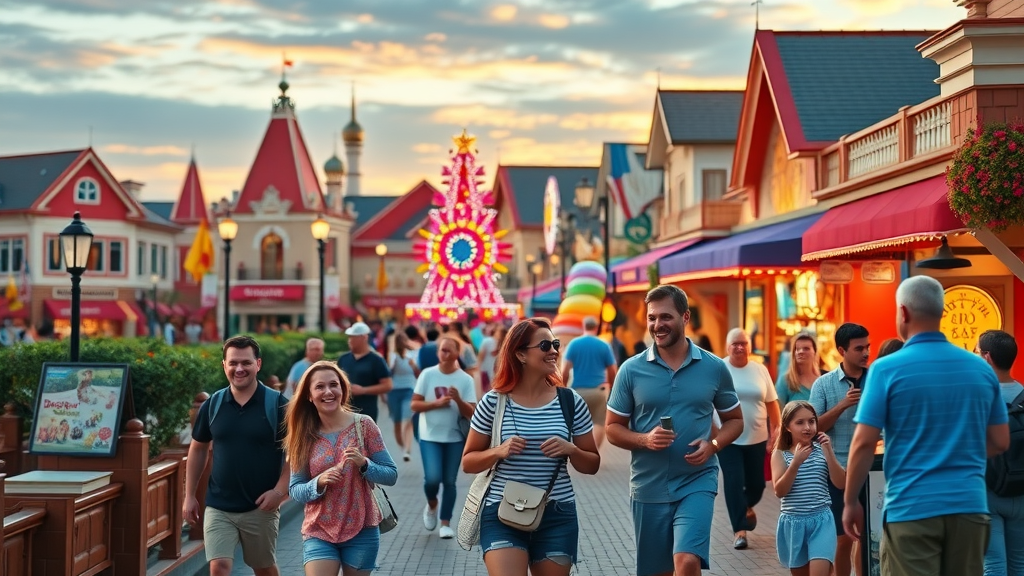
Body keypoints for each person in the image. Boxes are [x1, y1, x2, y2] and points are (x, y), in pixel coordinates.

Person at [844, 276, 1009, 576]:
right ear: (941, 312)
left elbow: (864, 443)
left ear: (903, 312)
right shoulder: (980, 369)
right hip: (969, 506)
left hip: (912, 507)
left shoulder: (886, 369)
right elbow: (1000, 440)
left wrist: (850, 500)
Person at [607, 285, 743, 576]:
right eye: (652, 317)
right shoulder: (630, 370)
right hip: (648, 486)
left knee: (687, 560)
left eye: (666, 316)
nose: (658, 324)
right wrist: (645, 439)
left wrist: (714, 445)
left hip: (697, 480)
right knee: (659, 571)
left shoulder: (714, 367)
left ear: (685, 317)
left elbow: (735, 420)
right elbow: (612, 428)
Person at [462, 317, 600, 576]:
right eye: (545, 345)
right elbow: (468, 462)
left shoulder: (571, 402)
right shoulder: (493, 402)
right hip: (502, 511)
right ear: (521, 354)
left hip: (557, 514)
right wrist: (498, 451)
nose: (554, 351)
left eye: (555, 344)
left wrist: (571, 450)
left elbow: (592, 464)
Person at [184, 336, 289, 576]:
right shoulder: (212, 405)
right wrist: (189, 496)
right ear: (224, 365)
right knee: (219, 566)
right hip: (219, 505)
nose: (239, 369)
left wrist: (279, 492)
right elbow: (198, 448)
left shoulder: (278, 405)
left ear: (258, 364)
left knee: (263, 568)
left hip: (260, 507)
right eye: (233, 363)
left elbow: (297, 454)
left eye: (246, 363)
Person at [285, 360, 398, 576]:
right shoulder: (303, 434)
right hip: (318, 530)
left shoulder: (364, 425)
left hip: (362, 529)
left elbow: (391, 474)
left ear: (342, 389)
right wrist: (318, 482)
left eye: (333, 385)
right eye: (319, 386)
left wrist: (364, 464)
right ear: (309, 395)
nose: (328, 392)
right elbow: (295, 489)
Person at [808, 322, 870, 576]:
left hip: (874, 469)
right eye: (859, 348)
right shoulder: (823, 384)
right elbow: (812, 428)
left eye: (867, 347)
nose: (866, 353)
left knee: (868, 537)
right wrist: (842, 405)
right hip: (837, 472)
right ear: (842, 351)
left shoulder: (877, 380)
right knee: (843, 538)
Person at [720, 327, 781, 550]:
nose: (739, 347)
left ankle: (744, 507)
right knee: (734, 483)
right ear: (727, 347)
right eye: (735, 343)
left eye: (743, 343)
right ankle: (740, 531)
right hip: (728, 439)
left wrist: (776, 432)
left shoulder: (759, 370)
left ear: (750, 346)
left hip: (757, 438)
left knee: (757, 485)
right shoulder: (720, 369)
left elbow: (772, 403)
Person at [411, 335, 476, 540]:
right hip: (429, 434)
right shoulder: (428, 374)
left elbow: (472, 412)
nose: (444, 353)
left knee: (449, 481)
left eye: (449, 350)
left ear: (457, 353)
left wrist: (458, 400)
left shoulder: (465, 379)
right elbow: (414, 405)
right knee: (432, 479)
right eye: (442, 350)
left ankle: (445, 522)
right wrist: (435, 404)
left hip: (455, 437)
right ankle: (432, 504)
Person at [771, 401, 846, 576]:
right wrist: (795, 463)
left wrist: (829, 452)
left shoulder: (822, 449)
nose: (807, 427)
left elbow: (841, 483)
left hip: (822, 520)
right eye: (800, 422)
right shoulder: (780, 454)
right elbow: (779, 491)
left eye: (811, 421)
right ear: (787, 426)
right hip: (794, 523)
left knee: (820, 569)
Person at [977, 330, 1023, 576]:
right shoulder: (1023, 395)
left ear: (987, 357)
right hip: (1021, 490)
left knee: (993, 564)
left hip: (987, 492)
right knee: (1020, 563)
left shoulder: (976, 397)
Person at [561, 316, 617, 448]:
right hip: (598, 391)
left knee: (576, 423)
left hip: (578, 392)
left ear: (584, 327)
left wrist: (563, 388)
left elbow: (565, 370)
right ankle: (592, 451)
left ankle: (578, 450)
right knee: (598, 423)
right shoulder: (604, 345)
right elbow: (612, 370)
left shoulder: (574, 344)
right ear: (596, 328)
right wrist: (611, 387)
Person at [338, 322, 393, 422]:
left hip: (367, 412)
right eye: (349, 337)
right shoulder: (343, 359)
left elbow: (387, 385)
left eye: (353, 337)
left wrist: (363, 390)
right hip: (345, 411)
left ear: (364, 338)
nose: (350, 341)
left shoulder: (376, 360)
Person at [388, 332, 420, 462]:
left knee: (408, 419)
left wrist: (413, 364)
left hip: (409, 389)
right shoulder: (393, 356)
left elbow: (418, 372)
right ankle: (403, 448)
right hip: (394, 391)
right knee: (397, 423)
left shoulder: (413, 354)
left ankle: (407, 449)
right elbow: (389, 370)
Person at [777, 332, 821, 406]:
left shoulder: (822, 381)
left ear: (815, 352)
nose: (800, 352)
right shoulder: (786, 380)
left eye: (806, 348)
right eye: (797, 349)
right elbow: (778, 410)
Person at [476, 324, 507, 396]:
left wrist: (478, 367)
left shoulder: (487, 341)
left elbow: (481, 356)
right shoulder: (505, 343)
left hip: (486, 369)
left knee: (486, 391)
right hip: (498, 370)